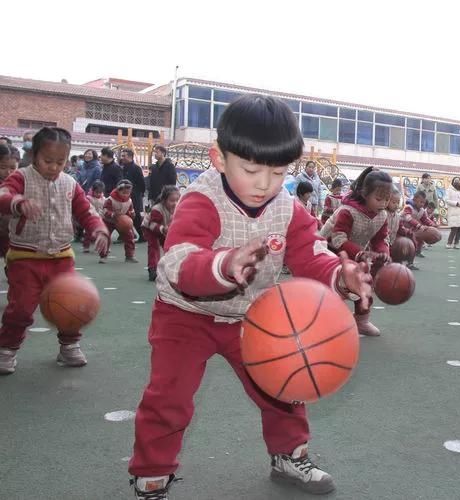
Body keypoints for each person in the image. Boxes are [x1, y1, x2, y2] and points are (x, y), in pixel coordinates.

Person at [128, 95, 371, 498]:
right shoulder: (201, 200)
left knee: (286, 382)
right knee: (168, 396)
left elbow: (311, 254)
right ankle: (152, 473)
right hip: (185, 315)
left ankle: (289, 455)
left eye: (278, 172)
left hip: (252, 316)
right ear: (219, 159)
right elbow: (180, 260)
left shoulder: (288, 208)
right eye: (252, 169)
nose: (264, 184)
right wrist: (222, 266)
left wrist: (341, 277)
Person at [0, 127, 109, 375]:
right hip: (25, 257)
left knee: (71, 303)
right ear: (35, 155)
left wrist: (99, 229)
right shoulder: (20, 177)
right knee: (21, 307)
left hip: (61, 257)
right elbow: (3, 194)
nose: (54, 167)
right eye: (48, 161)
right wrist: (18, 203)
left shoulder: (70, 183)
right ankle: (7, 348)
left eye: (60, 161)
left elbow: (86, 210)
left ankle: (69, 345)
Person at [319, 166, 392, 337]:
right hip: (328, 251)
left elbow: (380, 239)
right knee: (331, 289)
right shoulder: (347, 211)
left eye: (387, 199)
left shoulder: (382, 215)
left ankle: (361, 321)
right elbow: (338, 240)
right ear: (365, 194)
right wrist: (361, 254)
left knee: (364, 284)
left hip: (353, 252)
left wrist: (383, 254)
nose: (383, 204)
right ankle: (321, 322)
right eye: (379, 199)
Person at [142, 185, 180, 281]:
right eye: (172, 200)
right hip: (150, 229)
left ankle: (170, 268)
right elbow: (152, 225)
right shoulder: (157, 209)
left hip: (164, 229)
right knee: (154, 246)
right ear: (164, 200)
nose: (175, 203)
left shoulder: (178, 209)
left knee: (170, 246)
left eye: (177, 200)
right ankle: (153, 270)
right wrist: (163, 229)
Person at [102, 179, 137, 263]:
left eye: (128, 193)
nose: (126, 195)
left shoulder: (129, 201)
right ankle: (103, 255)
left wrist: (131, 214)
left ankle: (129, 256)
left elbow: (130, 210)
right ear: (118, 190)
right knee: (105, 237)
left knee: (130, 237)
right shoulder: (110, 199)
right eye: (123, 193)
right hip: (109, 221)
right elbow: (105, 210)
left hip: (122, 222)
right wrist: (113, 214)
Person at [120, 148, 146, 241]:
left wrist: (139, 194)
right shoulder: (123, 168)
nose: (122, 158)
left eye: (124, 156)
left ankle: (142, 235)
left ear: (130, 157)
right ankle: (127, 235)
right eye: (121, 155)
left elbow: (142, 184)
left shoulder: (136, 168)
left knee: (136, 217)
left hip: (134, 196)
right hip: (124, 196)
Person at [0, 144, 19, 258]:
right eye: (2, 167)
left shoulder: (21, 183)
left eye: (12, 168)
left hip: (11, 233)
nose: (8, 172)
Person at [82, 181, 106, 254]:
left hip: (100, 218)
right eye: (97, 192)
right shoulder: (88, 198)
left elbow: (104, 208)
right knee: (88, 233)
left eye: (100, 192)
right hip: (91, 218)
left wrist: (104, 214)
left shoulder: (103, 199)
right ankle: (86, 246)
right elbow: (87, 208)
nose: (99, 194)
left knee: (101, 233)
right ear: (93, 191)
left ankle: (100, 247)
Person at [445, 176, 460, 249]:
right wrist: (456, 203)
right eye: (455, 181)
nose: (457, 182)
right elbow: (447, 200)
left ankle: (456, 243)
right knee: (454, 229)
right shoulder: (449, 190)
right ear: (453, 182)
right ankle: (449, 243)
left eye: (458, 181)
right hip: (453, 212)